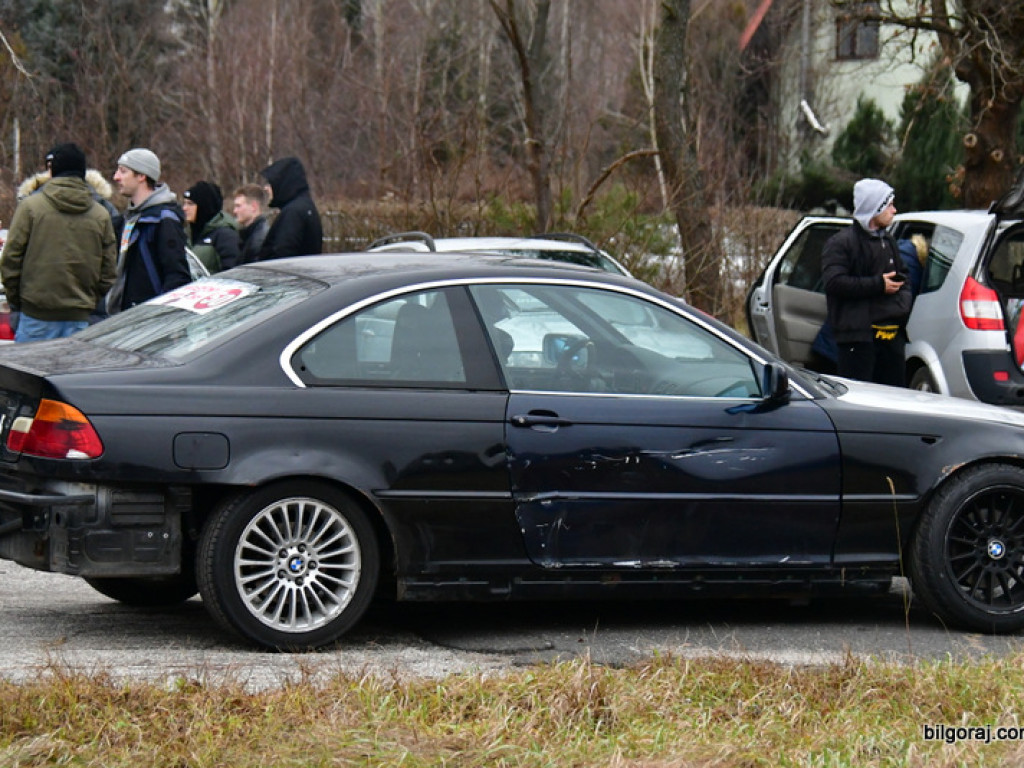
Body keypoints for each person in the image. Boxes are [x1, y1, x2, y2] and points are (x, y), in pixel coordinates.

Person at [0, 143, 116, 342]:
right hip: (79, 318)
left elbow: (11, 260)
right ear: (83, 173)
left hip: (35, 315)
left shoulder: (30, 208)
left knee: (29, 372)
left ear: (51, 171)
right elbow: (108, 270)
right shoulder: (101, 214)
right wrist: (87, 301)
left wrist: (18, 303)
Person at [821, 178, 913, 387]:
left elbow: (904, 277)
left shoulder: (888, 241)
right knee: (860, 401)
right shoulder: (841, 243)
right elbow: (834, 282)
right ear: (875, 207)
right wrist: (878, 284)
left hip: (892, 340)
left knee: (894, 400)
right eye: (889, 205)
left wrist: (902, 305)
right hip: (858, 340)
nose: (894, 210)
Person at [107, 148, 192, 314]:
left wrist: (160, 316)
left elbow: (177, 276)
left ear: (141, 176)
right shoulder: (128, 219)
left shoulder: (164, 219)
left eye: (123, 171)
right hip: (125, 317)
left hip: (149, 323)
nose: (116, 177)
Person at [256, 156, 322, 260]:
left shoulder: (293, 213)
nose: (266, 188)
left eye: (270, 183)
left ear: (282, 183)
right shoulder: (304, 207)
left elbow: (283, 255)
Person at [183, 181, 239, 273]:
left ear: (204, 206)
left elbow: (231, 272)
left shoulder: (225, 235)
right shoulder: (186, 234)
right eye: (184, 203)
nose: (184, 208)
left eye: (190, 204)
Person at [232, 183, 270, 265]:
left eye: (238, 206)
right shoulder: (251, 236)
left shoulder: (258, 241)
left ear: (254, 207)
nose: (234, 211)